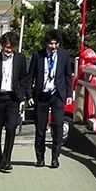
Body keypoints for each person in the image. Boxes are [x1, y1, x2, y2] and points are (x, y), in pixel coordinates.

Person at [27, 29, 73, 168]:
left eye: (55, 44)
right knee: (40, 128)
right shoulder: (38, 55)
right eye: (51, 44)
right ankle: (40, 157)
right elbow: (30, 76)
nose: (53, 46)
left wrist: (69, 94)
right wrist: (29, 95)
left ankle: (55, 157)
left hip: (57, 94)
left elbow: (68, 76)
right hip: (41, 95)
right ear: (46, 43)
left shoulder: (64, 55)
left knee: (58, 125)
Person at [0, 32, 28, 172]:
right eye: (6, 47)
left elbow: (24, 78)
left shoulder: (20, 59)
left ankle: (6, 161)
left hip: (13, 98)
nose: (8, 50)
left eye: (11, 47)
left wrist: (23, 95)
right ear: (2, 45)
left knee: (11, 128)